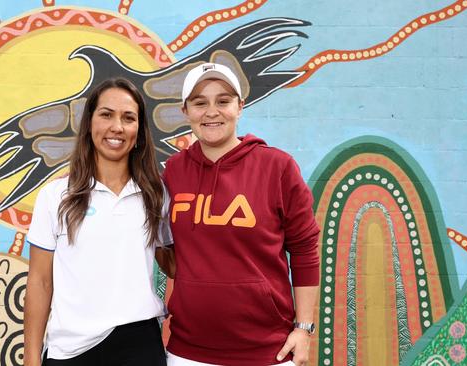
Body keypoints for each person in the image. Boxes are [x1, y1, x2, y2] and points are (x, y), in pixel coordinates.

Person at [160, 63, 320, 366]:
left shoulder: (277, 168)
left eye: (223, 101)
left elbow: (304, 250)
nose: (211, 112)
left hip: (267, 352)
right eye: (199, 102)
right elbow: (170, 252)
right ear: (185, 112)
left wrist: (304, 328)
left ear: (240, 106)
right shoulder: (173, 172)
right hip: (187, 352)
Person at [23, 78, 171, 366]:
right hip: (70, 352)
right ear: (89, 123)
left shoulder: (156, 195)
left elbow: (176, 265)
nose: (117, 127)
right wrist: (31, 358)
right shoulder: (55, 196)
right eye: (106, 114)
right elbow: (40, 282)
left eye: (128, 118)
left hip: (140, 346)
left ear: (139, 131)